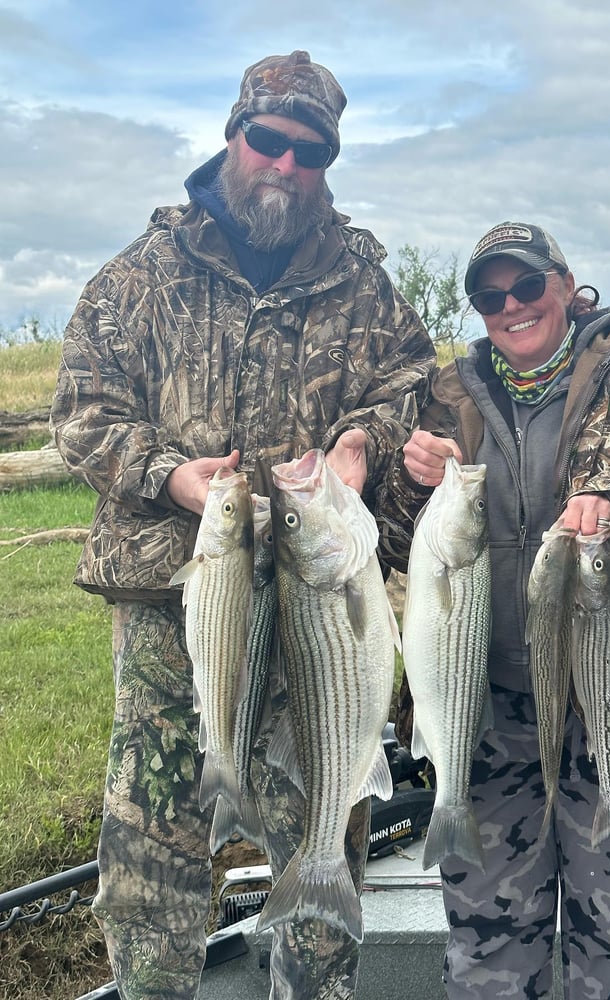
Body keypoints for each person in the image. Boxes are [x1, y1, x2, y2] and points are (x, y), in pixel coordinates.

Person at [50, 50, 436, 1000]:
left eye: (313, 151)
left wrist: (360, 443)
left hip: (318, 594)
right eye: (270, 140)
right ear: (233, 134)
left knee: (323, 815)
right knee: (154, 833)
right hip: (180, 602)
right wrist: (168, 475)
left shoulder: (365, 286)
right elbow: (83, 409)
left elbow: (413, 387)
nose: (287, 165)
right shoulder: (141, 277)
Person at [385, 221, 610, 999]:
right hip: (483, 707)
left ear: (564, 283)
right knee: (487, 946)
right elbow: (385, 545)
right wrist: (410, 486)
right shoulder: (447, 397)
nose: (510, 306)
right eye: (489, 295)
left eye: (526, 287)